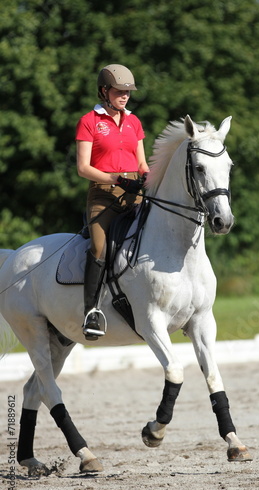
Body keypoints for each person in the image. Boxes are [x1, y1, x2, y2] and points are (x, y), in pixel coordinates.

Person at [76, 64, 149, 341]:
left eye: (128, 92)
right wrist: (115, 179)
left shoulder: (134, 122)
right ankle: (91, 311)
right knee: (99, 246)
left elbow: (142, 163)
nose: (125, 96)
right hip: (104, 193)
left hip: (135, 193)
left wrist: (150, 177)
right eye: (120, 91)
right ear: (104, 91)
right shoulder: (89, 121)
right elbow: (83, 167)